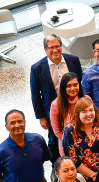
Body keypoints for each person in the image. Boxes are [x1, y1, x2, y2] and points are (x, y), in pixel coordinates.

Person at [31, 34, 83, 163]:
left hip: (75, 106)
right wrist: (41, 117)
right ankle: (56, 165)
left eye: (57, 46)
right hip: (53, 110)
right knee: (54, 139)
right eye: (51, 47)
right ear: (45, 49)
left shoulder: (73, 60)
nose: (55, 50)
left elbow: (81, 83)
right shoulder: (37, 68)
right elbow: (35, 94)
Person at [62, 97, 99, 182]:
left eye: (91, 110)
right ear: (78, 114)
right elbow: (72, 159)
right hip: (85, 176)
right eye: (84, 111)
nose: (89, 114)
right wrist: (93, 175)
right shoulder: (69, 131)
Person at [50, 72, 87, 156]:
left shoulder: (86, 99)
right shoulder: (56, 105)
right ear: (63, 87)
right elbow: (57, 131)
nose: (73, 88)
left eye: (75, 85)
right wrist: (71, 141)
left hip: (87, 141)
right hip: (67, 144)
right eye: (69, 86)